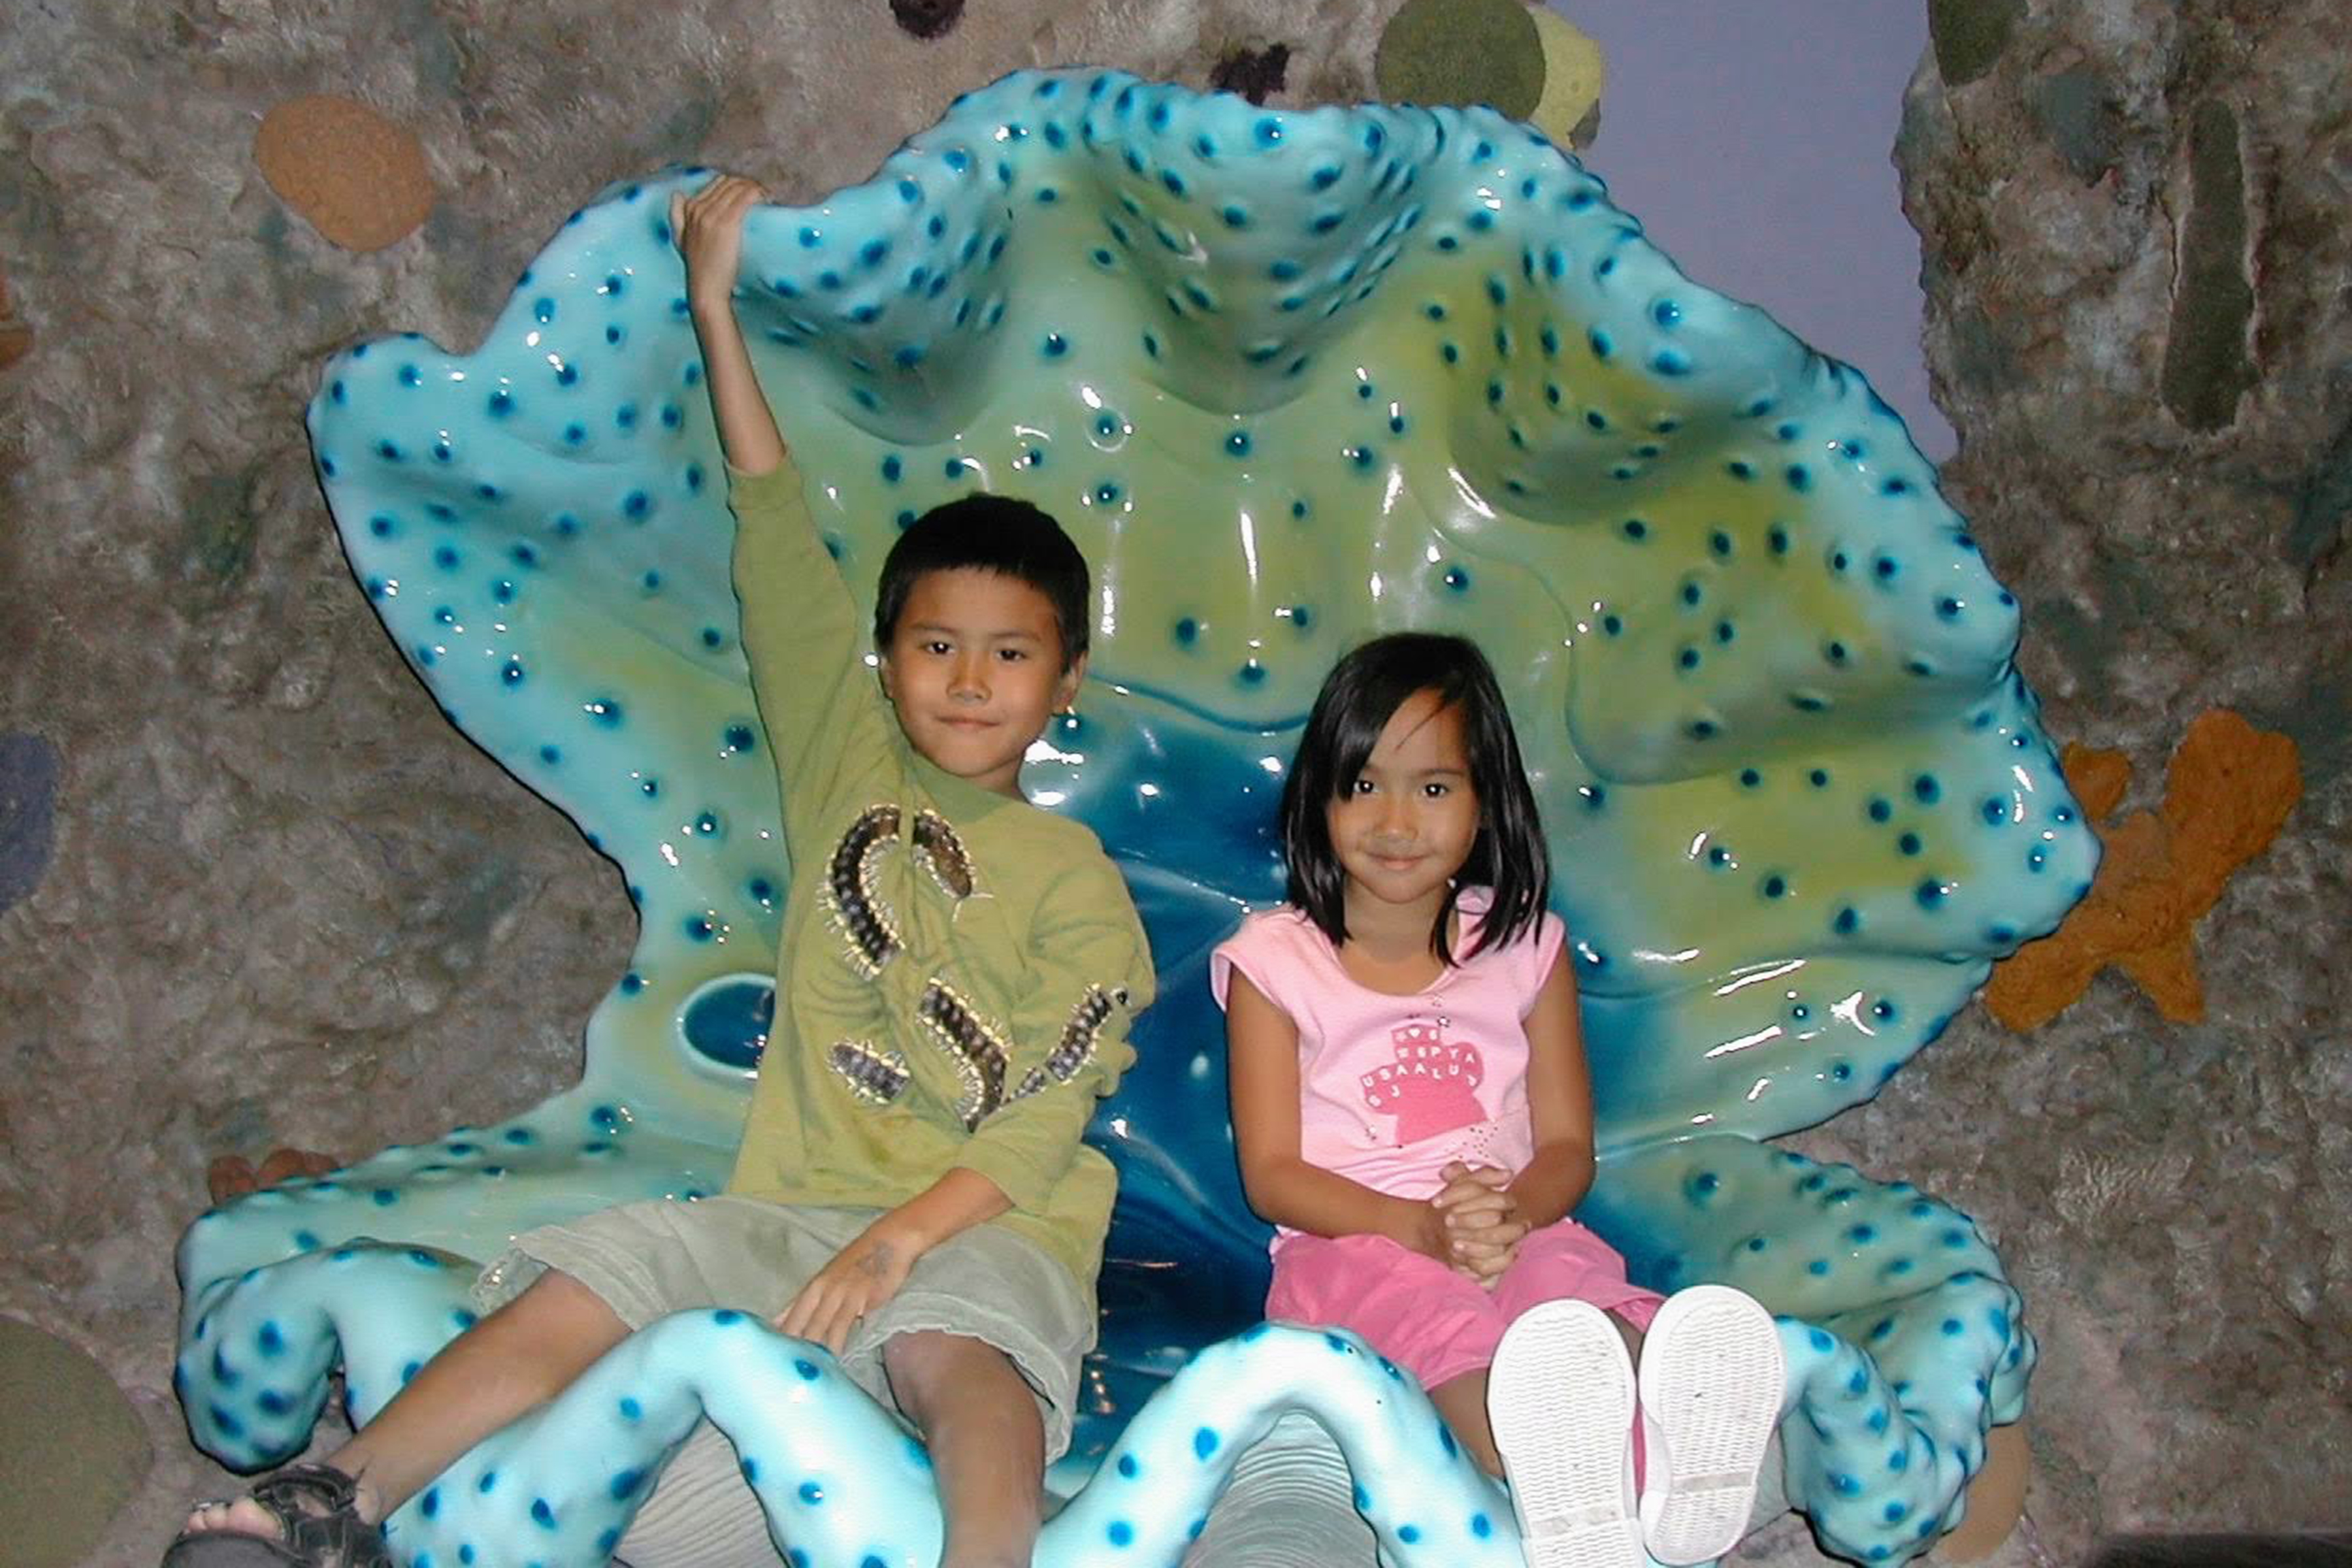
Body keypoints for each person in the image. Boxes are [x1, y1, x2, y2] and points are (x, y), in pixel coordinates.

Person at [165, 172, 1153, 1568]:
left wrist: (897, 1245)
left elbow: (1045, 1116)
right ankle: (337, 1503)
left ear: (1065, 680)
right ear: (889, 664)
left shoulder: (1075, 878)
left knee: (951, 1352)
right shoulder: (848, 775)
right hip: (794, 1213)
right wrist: (713, 307)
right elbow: (776, 542)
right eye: (937, 646)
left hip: (994, 1229)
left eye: (1011, 652)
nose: (971, 678)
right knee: (607, 1270)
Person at [1213, 631, 1782, 1568]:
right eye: (1365, 785)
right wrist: (1417, 1228)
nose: (1397, 820)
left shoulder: (1526, 948)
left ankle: (1671, 1466)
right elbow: (1273, 1176)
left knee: (1585, 1309)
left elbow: (1565, 1149)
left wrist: (1510, 1217)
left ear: (1487, 804)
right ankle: (1560, 1478)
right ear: (1320, 799)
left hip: (1516, 1223)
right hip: (1355, 1242)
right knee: (1450, 1336)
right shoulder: (1275, 962)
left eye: (1434, 788)